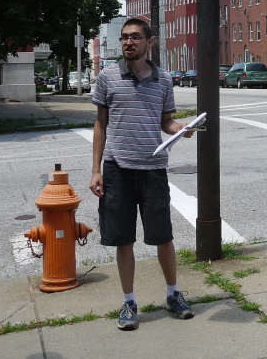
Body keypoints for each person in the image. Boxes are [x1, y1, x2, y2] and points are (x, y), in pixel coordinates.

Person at [89, 18, 195, 331]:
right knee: (123, 240)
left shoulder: (163, 80)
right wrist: (95, 170)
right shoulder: (107, 77)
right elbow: (100, 125)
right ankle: (129, 302)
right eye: (124, 38)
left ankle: (174, 294)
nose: (128, 43)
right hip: (117, 170)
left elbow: (166, 123)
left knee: (163, 236)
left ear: (150, 42)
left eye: (135, 37)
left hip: (153, 170)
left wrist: (180, 129)